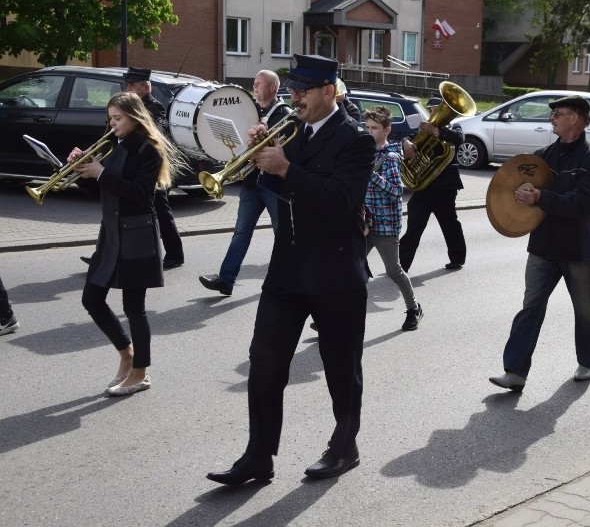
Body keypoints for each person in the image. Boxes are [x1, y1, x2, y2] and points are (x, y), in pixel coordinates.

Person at [207, 54, 375, 485]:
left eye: (303, 90)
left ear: (328, 92)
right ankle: (258, 456)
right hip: (287, 269)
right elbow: (272, 189)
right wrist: (261, 158)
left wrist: (285, 167)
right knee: (264, 362)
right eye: (292, 89)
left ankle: (344, 446)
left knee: (341, 367)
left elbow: (340, 199)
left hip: (336, 270)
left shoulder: (355, 139)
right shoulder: (293, 131)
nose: (294, 97)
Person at [489, 96, 590, 392]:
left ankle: (587, 360)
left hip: (578, 248)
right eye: (552, 113)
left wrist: (541, 197)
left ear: (577, 118)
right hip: (543, 246)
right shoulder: (541, 157)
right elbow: (523, 193)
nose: (552, 117)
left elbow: (581, 203)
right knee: (531, 307)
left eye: (559, 113)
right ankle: (515, 372)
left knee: (584, 309)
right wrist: (517, 197)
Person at [70, 92, 183, 396]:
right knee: (91, 299)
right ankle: (126, 354)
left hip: (137, 235)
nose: (112, 124)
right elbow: (98, 188)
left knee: (134, 308)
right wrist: (81, 169)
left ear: (134, 117)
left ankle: (140, 373)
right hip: (111, 234)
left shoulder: (149, 150)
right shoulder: (111, 145)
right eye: (110, 118)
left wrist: (102, 172)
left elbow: (142, 196)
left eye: (117, 119)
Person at [80, 67, 185, 269]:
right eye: (127, 84)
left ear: (146, 87)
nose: (127, 88)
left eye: (132, 85)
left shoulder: (154, 108)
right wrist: (90, 154)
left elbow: (150, 136)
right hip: (124, 165)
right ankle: (102, 254)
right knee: (113, 209)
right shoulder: (121, 108)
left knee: (161, 212)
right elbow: (110, 135)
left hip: (147, 167)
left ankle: (175, 253)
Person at [199, 70, 290, 296]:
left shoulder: (283, 113)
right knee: (241, 231)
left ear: (272, 88)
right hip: (251, 182)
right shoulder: (248, 110)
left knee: (283, 234)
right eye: (255, 82)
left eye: (259, 83)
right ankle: (226, 280)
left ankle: (289, 278)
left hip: (272, 184)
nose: (255, 86)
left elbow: (283, 149)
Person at [363, 106, 423, 330]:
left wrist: (371, 175)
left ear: (387, 130)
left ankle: (413, 308)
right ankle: (333, 317)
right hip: (364, 224)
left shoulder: (391, 156)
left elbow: (397, 191)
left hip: (386, 225)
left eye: (375, 128)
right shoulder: (365, 153)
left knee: (394, 271)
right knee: (351, 269)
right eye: (367, 127)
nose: (369, 132)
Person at [398, 97, 467, 271]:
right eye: (430, 109)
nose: (432, 112)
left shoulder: (454, 127)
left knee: (449, 224)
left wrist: (437, 131)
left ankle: (457, 258)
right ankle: (401, 265)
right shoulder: (424, 128)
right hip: (424, 187)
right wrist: (406, 142)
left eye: (435, 109)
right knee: (414, 226)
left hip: (445, 187)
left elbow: (459, 139)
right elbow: (407, 136)